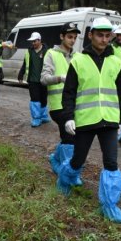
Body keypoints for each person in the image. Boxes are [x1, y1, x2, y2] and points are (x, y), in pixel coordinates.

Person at [56, 17, 121, 223]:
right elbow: (68, 93)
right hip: (85, 120)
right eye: (100, 35)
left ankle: (109, 205)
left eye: (108, 36)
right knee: (78, 159)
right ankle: (65, 179)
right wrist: (68, 117)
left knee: (111, 162)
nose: (104, 40)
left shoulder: (116, 59)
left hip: (110, 121)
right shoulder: (78, 60)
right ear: (90, 35)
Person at [42, 22, 81, 184]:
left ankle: (56, 159)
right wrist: (60, 78)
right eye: (69, 37)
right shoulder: (51, 54)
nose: (72, 40)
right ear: (61, 37)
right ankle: (69, 174)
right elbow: (44, 79)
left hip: (74, 105)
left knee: (74, 138)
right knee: (70, 138)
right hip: (58, 106)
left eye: (75, 37)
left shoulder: (78, 56)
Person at [18, 32, 50, 127]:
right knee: (35, 99)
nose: (33, 43)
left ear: (40, 41)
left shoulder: (47, 51)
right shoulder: (29, 52)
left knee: (43, 98)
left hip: (44, 80)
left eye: (35, 41)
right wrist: (21, 74)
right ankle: (36, 118)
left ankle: (43, 116)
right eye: (32, 41)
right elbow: (25, 64)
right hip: (32, 80)